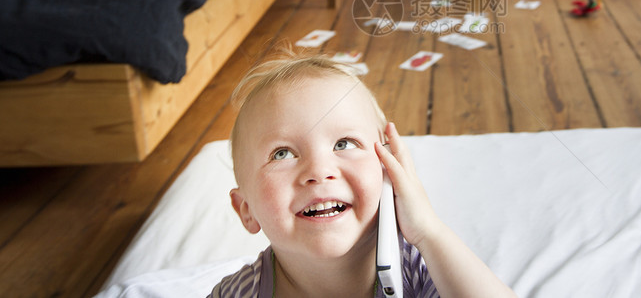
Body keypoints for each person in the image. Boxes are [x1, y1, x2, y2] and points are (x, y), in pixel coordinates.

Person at [210, 53, 517, 298]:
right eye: (282, 153)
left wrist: (428, 231)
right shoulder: (237, 293)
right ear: (246, 210)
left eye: (344, 144)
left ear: (390, 171)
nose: (319, 171)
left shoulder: (422, 268)